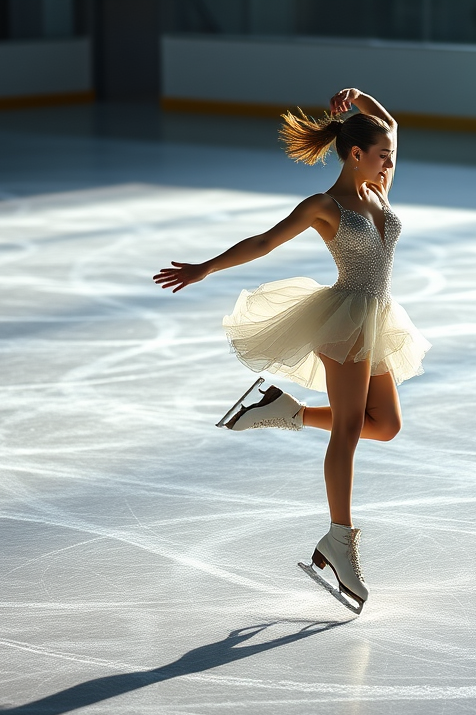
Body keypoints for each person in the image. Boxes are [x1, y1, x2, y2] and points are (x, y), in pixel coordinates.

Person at [153, 88, 430, 613]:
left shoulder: (379, 187)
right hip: (344, 319)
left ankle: (286, 411)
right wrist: (204, 267)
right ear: (355, 154)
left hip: (379, 317)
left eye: (389, 155)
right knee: (349, 427)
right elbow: (263, 242)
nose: (391, 160)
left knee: (386, 424)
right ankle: (339, 539)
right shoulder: (325, 206)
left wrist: (363, 98)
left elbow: (389, 122)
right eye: (382, 153)